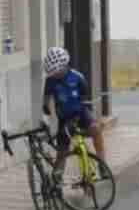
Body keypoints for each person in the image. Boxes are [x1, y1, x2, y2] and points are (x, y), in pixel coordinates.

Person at [41, 47, 106, 176]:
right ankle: (57, 181)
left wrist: (86, 109)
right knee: (62, 152)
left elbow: (84, 93)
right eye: (53, 73)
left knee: (96, 130)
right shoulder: (50, 81)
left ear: (65, 65)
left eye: (58, 72)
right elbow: (46, 96)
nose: (56, 75)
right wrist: (46, 106)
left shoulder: (77, 77)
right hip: (64, 118)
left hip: (80, 113)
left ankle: (102, 164)